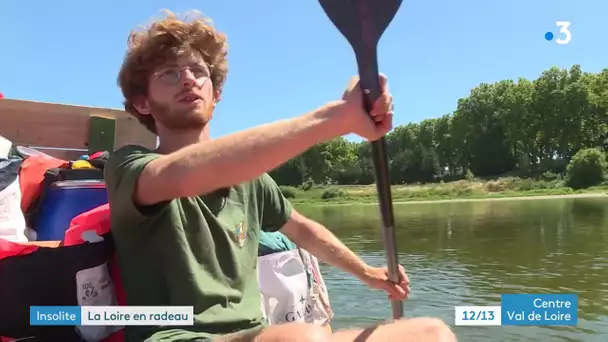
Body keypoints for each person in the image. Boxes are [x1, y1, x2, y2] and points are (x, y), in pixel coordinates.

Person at [106, 10, 457, 342]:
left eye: (198, 70)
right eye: (169, 72)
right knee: (302, 337)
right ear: (142, 103)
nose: (187, 78)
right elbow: (183, 174)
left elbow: (304, 230)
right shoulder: (129, 167)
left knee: (429, 333)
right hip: (175, 336)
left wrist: (368, 274)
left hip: (256, 333)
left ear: (216, 94)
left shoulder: (252, 180)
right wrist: (336, 119)